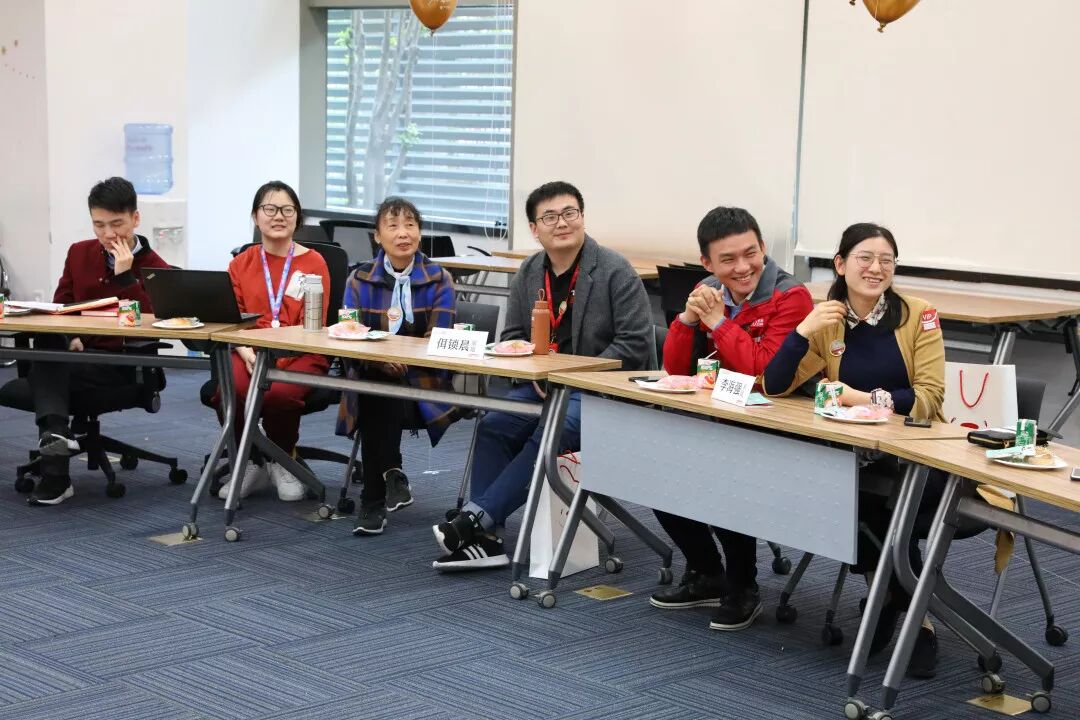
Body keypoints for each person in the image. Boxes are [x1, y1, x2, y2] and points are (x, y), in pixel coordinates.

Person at [430, 180, 654, 570]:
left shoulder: (614, 270)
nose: (561, 223)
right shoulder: (531, 271)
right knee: (494, 424)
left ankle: (476, 519)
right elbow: (513, 336)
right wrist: (533, 372)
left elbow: (634, 344)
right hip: (542, 386)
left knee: (553, 429)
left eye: (569, 213)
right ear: (535, 229)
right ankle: (487, 539)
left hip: (599, 391)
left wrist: (573, 375)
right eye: (549, 217)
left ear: (582, 217)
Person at [762, 222, 945, 677]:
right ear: (841, 264)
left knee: (888, 506)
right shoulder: (828, 319)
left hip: (917, 455)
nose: (876, 268)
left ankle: (905, 612)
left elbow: (929, 397)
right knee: (847, 497)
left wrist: (861, 398)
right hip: (855, 456)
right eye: (865, 258)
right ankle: (895, 600)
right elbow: (775, 385)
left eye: (886, 260)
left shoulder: (919, 315)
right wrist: (802, 331)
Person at [648, 206, 814, 631]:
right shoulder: (707, 289)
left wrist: (717, 322)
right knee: (653, 469)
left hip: (775, 423)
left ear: (763, 247)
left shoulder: (791, 297)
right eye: (728, 259)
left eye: (750, 253)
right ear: (707, 263)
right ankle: (707, 572)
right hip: (716, 418)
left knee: (724, 472)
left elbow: (763, 374)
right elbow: (677, 371)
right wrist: (687, 320)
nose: (743, 267)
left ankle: (743, 585)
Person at [27, 176, 171, 506]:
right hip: (75, 357)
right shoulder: (79, 253)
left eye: (117, 224)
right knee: (49, 349)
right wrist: (72, 335)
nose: (108, 234)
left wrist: (126, 276)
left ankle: (55, 472)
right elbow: (61, 306)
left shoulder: (156, 269)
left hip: (119, 363)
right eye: (99, 225)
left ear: (135, 218)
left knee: (46, 366)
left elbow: (151, 323)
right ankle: (57, 441)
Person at [336, 197, 458, 536]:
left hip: (424, 385)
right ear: (377, 236)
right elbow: (348, 334)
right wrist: (378, 360)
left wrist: (401, 361)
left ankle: (373, 498)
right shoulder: (358, 279)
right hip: (371, 375)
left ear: (419, 232)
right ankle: (391, 474)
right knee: (376, 387)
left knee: (376, 392)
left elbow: (439, 341)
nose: (403, 233)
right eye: (393, 226)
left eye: (410, 225)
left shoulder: (440, 279)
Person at [214, 180, 332, 502]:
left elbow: (314, 324)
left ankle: (283, 459)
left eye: (287, 210)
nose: (278, 216)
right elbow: (232, 319)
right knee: (231, 390)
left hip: (301, 349)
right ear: (255, 216)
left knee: (280, 393)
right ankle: (250, 461)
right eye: (270, 208)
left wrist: (276, 357)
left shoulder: (314, 263)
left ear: (297, 218)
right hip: (249, 349)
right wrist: (246, 352)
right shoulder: (240, 263)